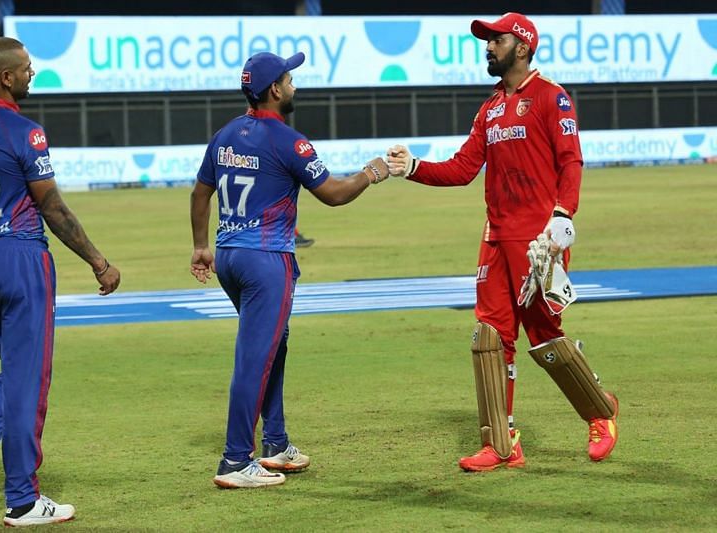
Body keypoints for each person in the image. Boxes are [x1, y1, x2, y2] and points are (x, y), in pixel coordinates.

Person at [388, 12, 619, 472]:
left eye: (497, 39)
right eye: (488, 40)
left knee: (544, 336)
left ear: (523, 45)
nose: (489, 46)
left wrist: (562, 217)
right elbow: (461, 169)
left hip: (539, 241)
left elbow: (571, 162)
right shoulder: (490, 107)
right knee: (490, 338)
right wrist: (414, 167)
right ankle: (502, 443)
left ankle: (601, 413)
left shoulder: (552, 98)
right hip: (495, 239)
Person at [190, 51, 389, 489]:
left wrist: (202, 246)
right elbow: (334, 194)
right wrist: (372, 173)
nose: (295, 84)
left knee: (272, 347)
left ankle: (275, 443)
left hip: (229, 256)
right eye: (290, 78)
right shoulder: (288, 141)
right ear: (275, 90)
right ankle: (235, 461)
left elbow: (200, 192)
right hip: (266, 262)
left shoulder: (225, 135)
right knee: (254, 358)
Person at [0, 37, 121, 526]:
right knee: (31, 380)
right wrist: (97, 260)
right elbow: (53, 207)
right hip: (22, 260)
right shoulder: (26, 131)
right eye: (26, 69)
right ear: (6, 77)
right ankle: (23, 499)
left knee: (14, 369)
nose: (31, 74)